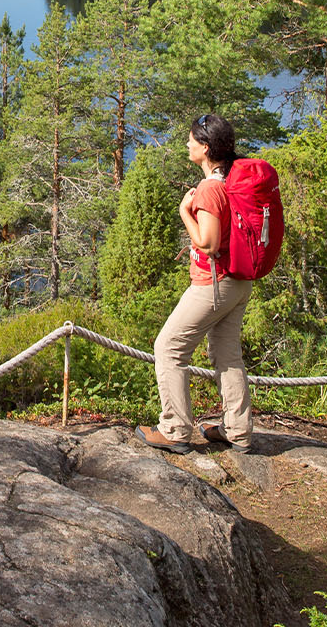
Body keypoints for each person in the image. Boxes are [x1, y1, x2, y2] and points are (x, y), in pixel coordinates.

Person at [137, 114, 254, 455]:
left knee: (168, 348)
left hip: (213, 285)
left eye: (191, 140)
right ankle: (238, 431)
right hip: (238, 282)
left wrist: (184, 212)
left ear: (205, 148)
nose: (187, 144)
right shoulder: (231, 178)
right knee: (227, 355)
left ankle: (175, 430)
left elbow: (209, 242)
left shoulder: (210, 188)